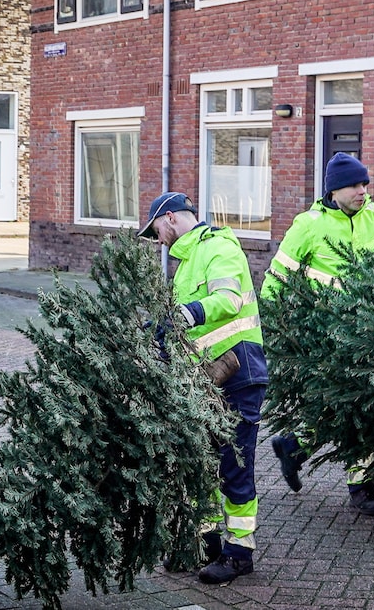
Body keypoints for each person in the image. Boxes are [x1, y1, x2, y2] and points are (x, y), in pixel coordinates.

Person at [261, 152, 374, 517]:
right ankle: (323, 462)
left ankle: (324, 463)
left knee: (365, 402)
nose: (362, 191)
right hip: (325, 332)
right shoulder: (308, 225)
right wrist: (273, 324)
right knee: (341, 402)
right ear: (334, 190)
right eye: (355, 185)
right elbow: (278, 277)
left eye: (365, 184)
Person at [138, 192, 268, 585]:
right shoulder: (186, 263)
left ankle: (239, 553)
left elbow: (227, 301)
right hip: (208, 378)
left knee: (234, 465)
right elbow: (191, 331)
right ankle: (206, 542)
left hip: (239, 373)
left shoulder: (219, 247)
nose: (157, 239)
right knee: (203, 462)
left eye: (157, 230)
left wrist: (182, 314)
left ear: (172, 218)